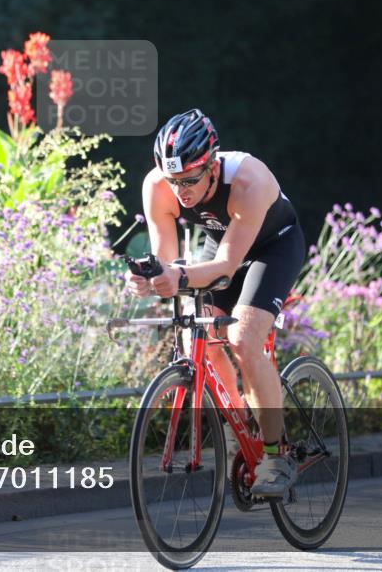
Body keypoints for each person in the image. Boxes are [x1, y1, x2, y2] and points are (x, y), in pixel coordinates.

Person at [124, 108, 306, 498]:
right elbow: (168, 262)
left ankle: (276, 455)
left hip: (272, 247)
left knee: (242, 339)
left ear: (212, 164)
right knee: (197, 343)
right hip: (222, 240)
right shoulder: (158, 186)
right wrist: (152, 278)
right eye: (173, 180)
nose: (180, 191)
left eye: (190, 180)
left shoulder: (247, 179)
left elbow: (224, 266)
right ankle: (239, 426)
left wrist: (179, 276)